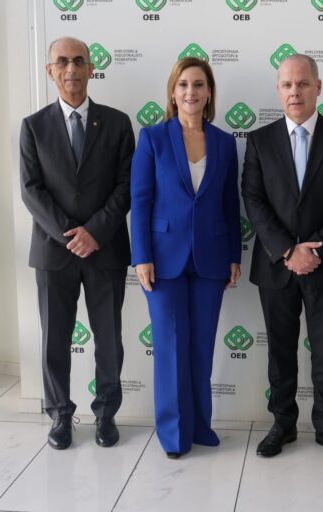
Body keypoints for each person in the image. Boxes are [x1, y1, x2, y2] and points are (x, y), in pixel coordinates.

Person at [241, 54, 323, 462]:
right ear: (279, 90)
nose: (295, 92)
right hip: (276, 266)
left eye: (303, 83)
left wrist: (316, 249)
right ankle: (283, 423)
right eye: (287, 85)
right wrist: (288, 250)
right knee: (280, 351)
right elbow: (253, 200)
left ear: (318, 87)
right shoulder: (259, 141)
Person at [19, 37, 134, 450]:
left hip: (105, 249)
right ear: (50, 70)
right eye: (62, 61)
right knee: (54, 340)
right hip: (54, 252)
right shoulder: (33, 126)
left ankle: (106, 414)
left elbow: (126, 186)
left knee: (109, 339)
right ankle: (59, 415)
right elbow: (31, 190)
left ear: (91, 68)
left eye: (79, 61)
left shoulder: (118, 123)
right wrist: (70, 234)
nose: (71, 68)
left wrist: (94, 232)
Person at [130, 57, 242, 459]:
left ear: (209, 93)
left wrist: (234, 254)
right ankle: (174, 434)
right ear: (173, 93)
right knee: (170, 349)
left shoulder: (225, 142)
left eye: (198, 84)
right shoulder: (153, 138)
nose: (190, 92)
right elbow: (140, 201)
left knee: (201, 348)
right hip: (163, 260)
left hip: (211, 258)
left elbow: (230, 203)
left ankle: (200, 427)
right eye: (183, 85)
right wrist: (141, 256)